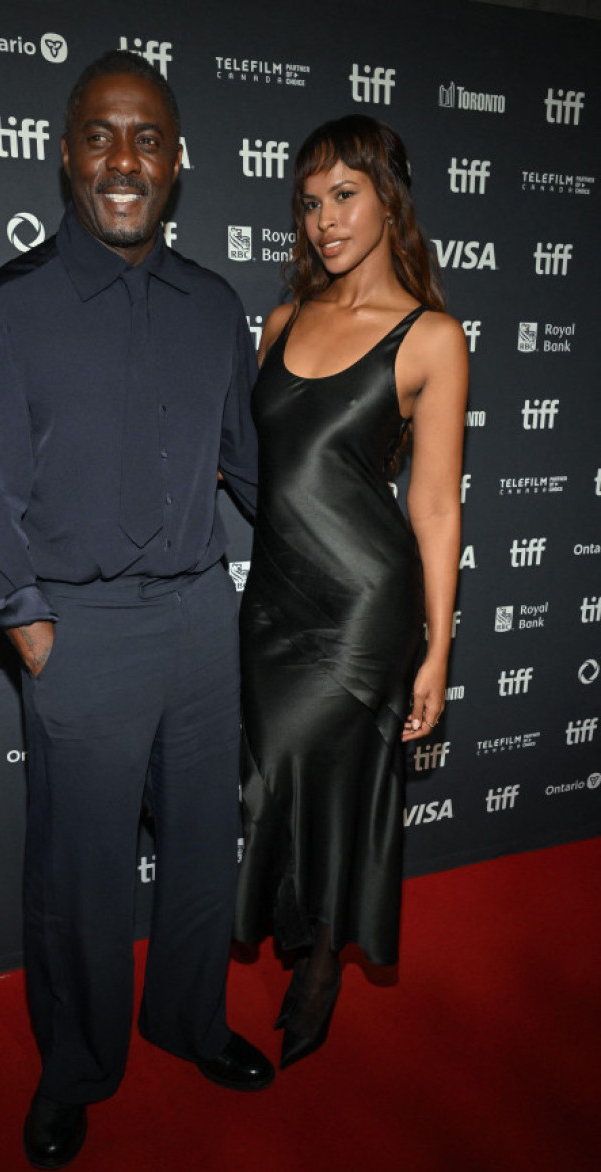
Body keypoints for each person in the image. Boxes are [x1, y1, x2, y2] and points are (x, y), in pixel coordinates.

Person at [0, 49, 273, 1171]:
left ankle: (186, 1019)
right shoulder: (4, 310)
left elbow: (252, 469)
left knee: (198, 857)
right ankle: (74, 1068)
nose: (123, 159)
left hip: (196, 622)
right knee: (79, 876)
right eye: (100, 134)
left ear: (176, 162)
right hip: (76, 637)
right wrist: (32, 632)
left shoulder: (213, 304)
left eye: (146, 138)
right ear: (64, 154)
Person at [233, 115, 468, 1069]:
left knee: (336, 787)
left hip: (365, 603)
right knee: (275, 783)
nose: (325, 219)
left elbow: (438, 507)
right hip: (274, 599)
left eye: (345, 195)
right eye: (311, 200)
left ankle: (323, 959)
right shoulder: (282, 321)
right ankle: (301, 930)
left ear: (387, 197)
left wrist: (438, 649)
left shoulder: (432, 338)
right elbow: (260, 467)